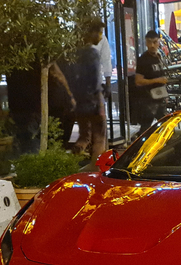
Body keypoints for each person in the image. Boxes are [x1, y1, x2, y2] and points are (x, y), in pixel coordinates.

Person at [70, 19, 106, 170]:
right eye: (100, 33)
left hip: (79, 102)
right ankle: (97, 170)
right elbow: (95, 81)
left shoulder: (75, 53)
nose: (100, 37)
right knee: (99, 137)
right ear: (93, 33)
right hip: (92, 101)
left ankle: (72, 161)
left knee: (84, 136)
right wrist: (100, 104)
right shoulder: (92, 53)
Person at [135, 30, 168, 132]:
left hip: (160, 97)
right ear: (146, 43)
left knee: (166, 125)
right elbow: (138, 81)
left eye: (154, 42)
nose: (152, 45)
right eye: (149, 42)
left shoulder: (159, 56)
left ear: (159, 42)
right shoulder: (143, 59)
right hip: (147, 100)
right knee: (146, 128)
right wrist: (156, 80)